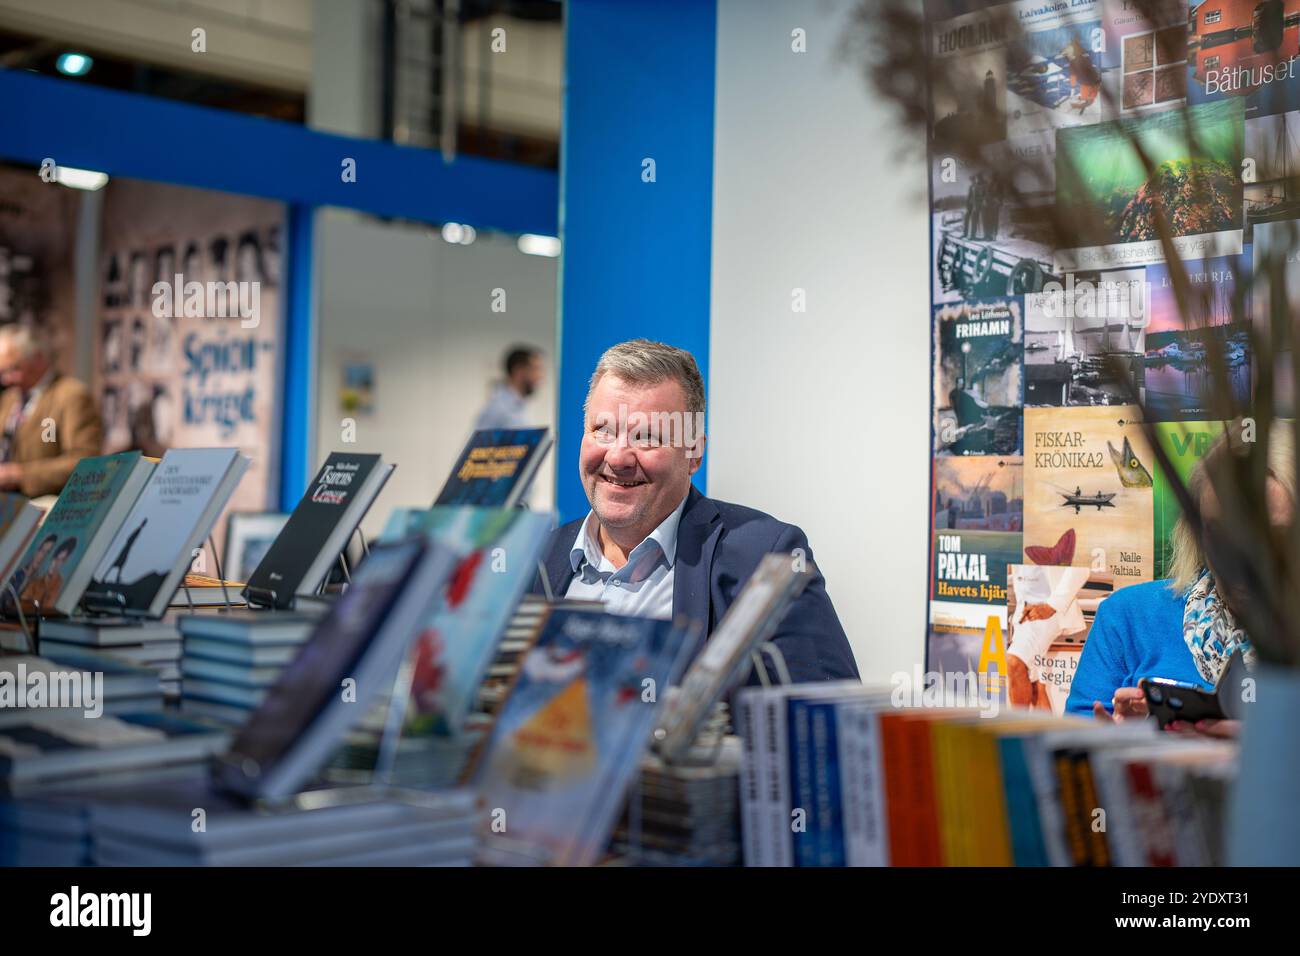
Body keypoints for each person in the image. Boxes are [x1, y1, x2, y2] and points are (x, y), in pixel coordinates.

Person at [532, 338, 859, 684]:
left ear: (695, 453)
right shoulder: (538, 559)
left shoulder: (763, 557)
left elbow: (831, 713)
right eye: (603, 431)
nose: (617, 457)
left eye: (647, 437)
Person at [1065, 426, 1293, 737]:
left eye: (1270, 537)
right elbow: (1070, 759)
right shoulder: (1128, 618)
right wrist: (1122, 747)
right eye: (1220, 534)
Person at [0, 325, 104, 498]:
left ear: (37, 358)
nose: (6, 379)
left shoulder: (70, 396)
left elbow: (86, 461)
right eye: (2, 372)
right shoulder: (9, 399)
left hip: (49, 508)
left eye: (14, 369)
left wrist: (19, 475)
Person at [473, 345, 544, 430]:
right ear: (519, 370)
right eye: (535, 369)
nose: (540, 376)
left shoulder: (519, 406)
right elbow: (480, 442)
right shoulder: (498, 407)